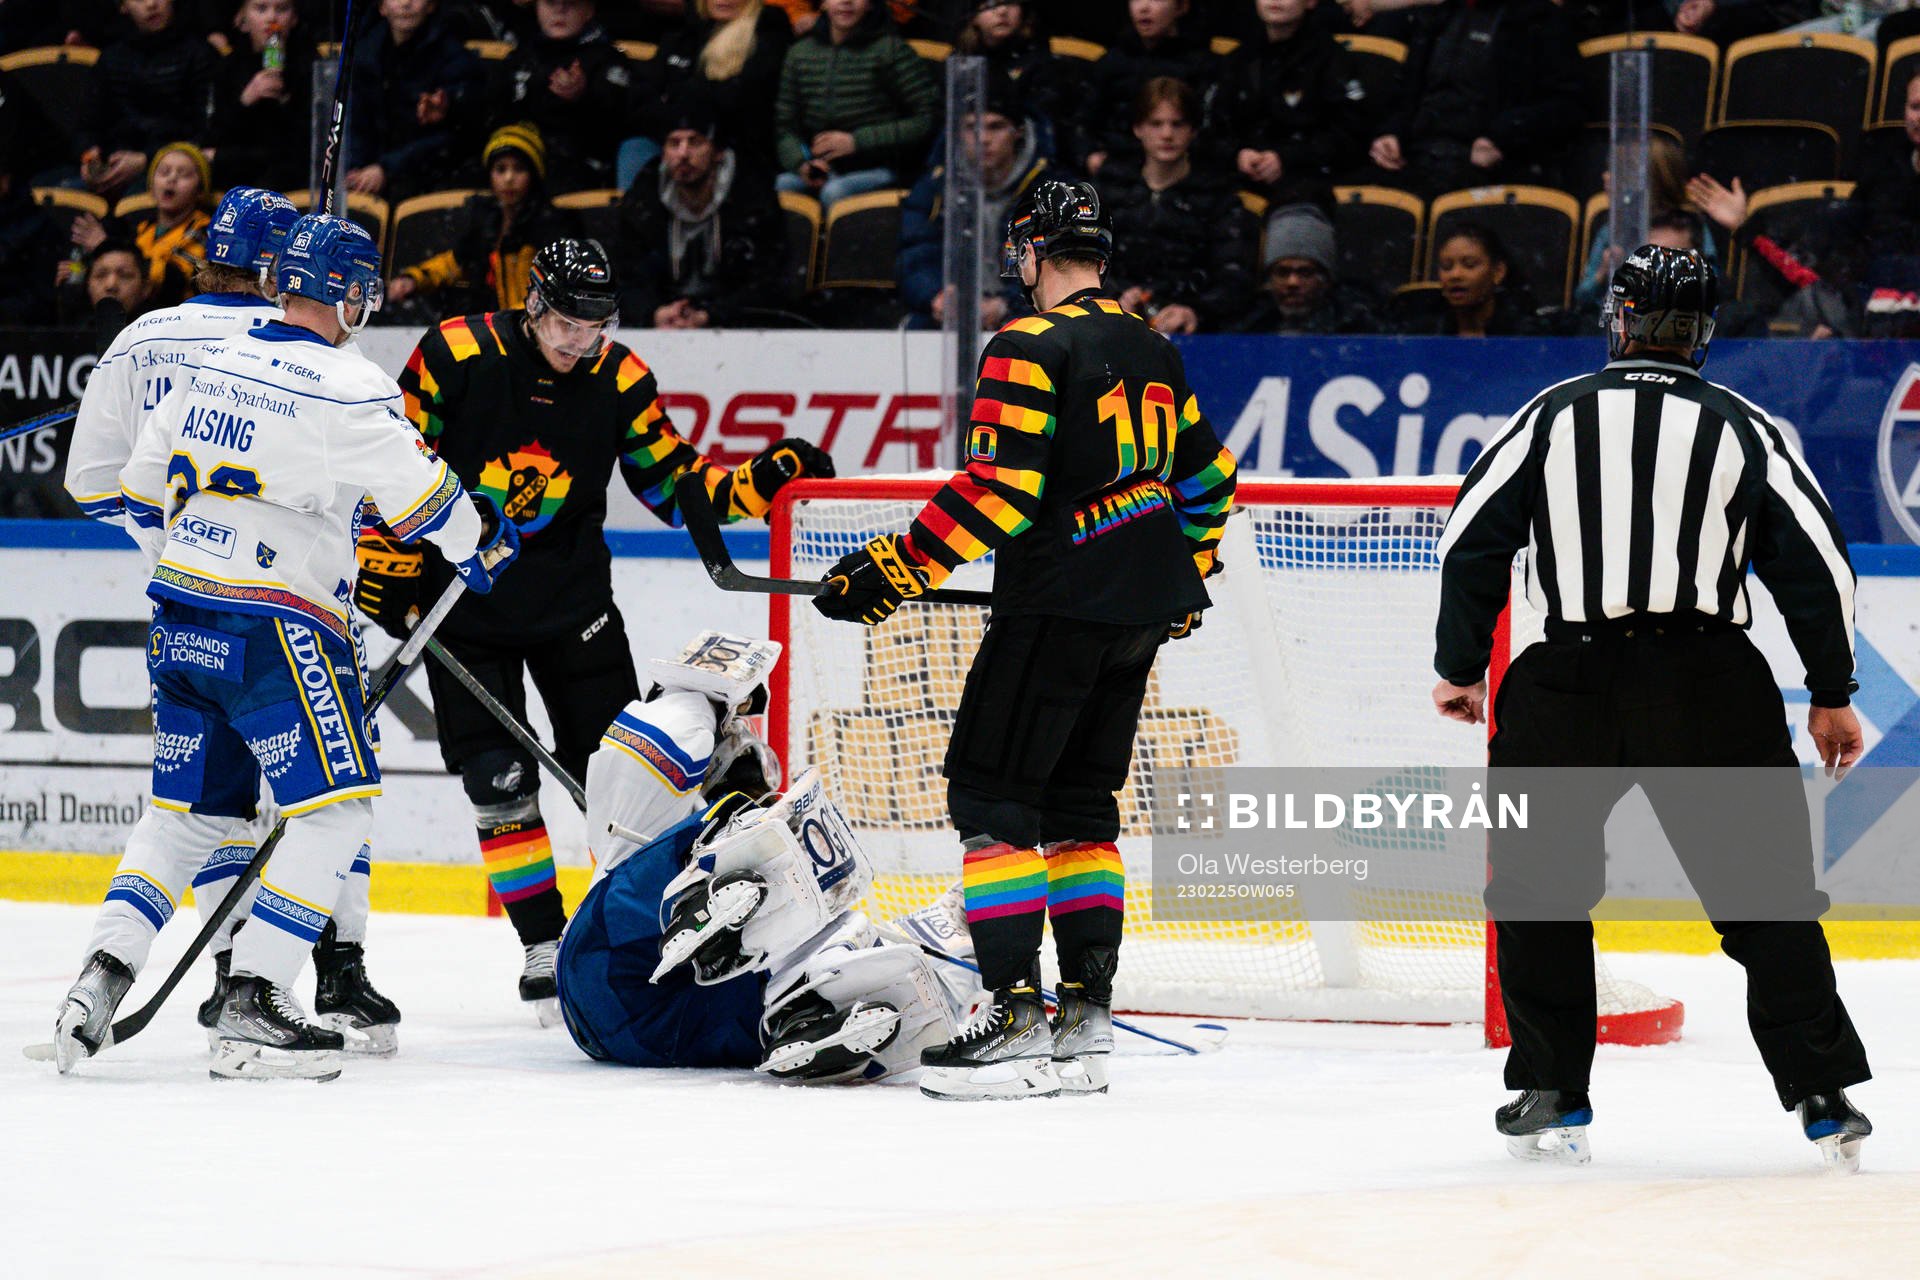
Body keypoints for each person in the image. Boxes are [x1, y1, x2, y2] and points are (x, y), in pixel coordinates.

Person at [1431, 244, 1873, 1171]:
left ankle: (1551, 1090)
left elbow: (1471, 541)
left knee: (1538, 895)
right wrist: (1831, 694)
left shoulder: (1550, 417)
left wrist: (1462, 666)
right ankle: (1823, 1091)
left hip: (1568, 684)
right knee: (1768, 901)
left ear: (1619, 320)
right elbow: (1818, 571)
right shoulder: (1744, 427)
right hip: (1711, 682)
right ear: (1705, 333)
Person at [54, 213, 519, 1080]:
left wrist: (201, 553)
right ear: (349, 296)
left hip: (179, 610)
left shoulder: (211, 366)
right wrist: (480, 536)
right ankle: (256, 994)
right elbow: (429, 509)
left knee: (189, 817)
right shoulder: (353, 383)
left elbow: (138, 486)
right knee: (337, 809)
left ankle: (97, 978)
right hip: (273, 622)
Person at [812, 178, 1238, 1100]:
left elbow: (998, 494)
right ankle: (1084, 1019)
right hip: (1137, 619)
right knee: (1082, 811)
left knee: (994, 802)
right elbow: (1211, 479)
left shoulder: (1027, 345)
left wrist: (896, 568)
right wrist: (1189, 573)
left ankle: (1010, 1015)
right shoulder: (1153, 345)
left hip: (1054, 609)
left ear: (1034, 254)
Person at [356, 238, 835, 1019]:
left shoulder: (619, 377)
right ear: (535, 301)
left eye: (597, 325)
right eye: (569, 323)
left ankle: (649, 923)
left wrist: (757, 483)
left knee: (626, 782)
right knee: (498, 784)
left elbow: (676, 483)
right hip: (461, 610)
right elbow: (393, 464)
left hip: (574, 608)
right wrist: (385, 571)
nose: (582, 341)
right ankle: (544, 944)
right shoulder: (454, 351)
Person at [557, 632, 982, 1080]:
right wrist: (713, 700)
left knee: (861, 959)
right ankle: (711, 914)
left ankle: (807, 1024)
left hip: (649, 1009)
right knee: (765, 847)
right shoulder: (660, 830)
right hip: (620, 968)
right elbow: (659, 741)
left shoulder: (650, 845)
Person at [1366, 0, 1582, 196]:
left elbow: (1566, 105)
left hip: (1486, 166)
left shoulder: (1541, 20)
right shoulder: (1438, 16)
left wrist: (1501, 138)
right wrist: (1391, 132)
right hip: (1414, 158)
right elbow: (1404, 93)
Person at [896, 76, 1057, 329]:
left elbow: (1058, 268)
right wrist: (935, 293)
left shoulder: (1050, 189)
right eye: (972, 127)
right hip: (951, 316)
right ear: (958, 133)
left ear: (1018, 132)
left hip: (1029, 316)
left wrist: (1008, 304)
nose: (983, 138)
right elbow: (915, 252)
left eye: (996, 126)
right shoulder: (936, 187)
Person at [1098, 77, 1257, 335]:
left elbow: (1235, 277)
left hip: (1194, 333)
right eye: (1156, 124)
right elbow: (1082, 263)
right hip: (1113, 328)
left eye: (1177, 124)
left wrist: (1194, 309)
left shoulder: (1219, 197)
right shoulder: (1109, 190)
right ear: (1138, 129)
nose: (1167, 134)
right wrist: (1115, 296)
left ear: (1193, 130)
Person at [613, 101, 787, 328]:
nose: (683, 154)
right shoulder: (644, 198)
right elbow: (626, 277)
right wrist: (655, 313)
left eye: (694, 142)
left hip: (737, 329)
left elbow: (769, 281)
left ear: (717, 152)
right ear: (664, 153)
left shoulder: (752, 196)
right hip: (662, 326)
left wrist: (710, 316)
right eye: (674, 144)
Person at [386, 123, 580, 319]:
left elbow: (555, 292)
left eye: (519, 169)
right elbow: (454, 264)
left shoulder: (554, 225)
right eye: (500, 169)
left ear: (534, 174)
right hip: (497, 329)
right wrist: (413, 279)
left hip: (536, 330)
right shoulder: (487, 220)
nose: (509, 178)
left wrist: (508, 321)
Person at [774, 0, 940, 209]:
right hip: (822, 166)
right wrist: (801, 163)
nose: (846, 2)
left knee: (835, 192)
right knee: (783, 184)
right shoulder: (800, 53)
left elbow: (929, 118)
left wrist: (857, 141)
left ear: (870, 4)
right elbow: (785, 126)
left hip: (882, 167)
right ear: (823, 4)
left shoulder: (891, 50)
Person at [1204, 0, 1371, 208]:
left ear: (1311, 2)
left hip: (1306, 184)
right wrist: (1237, 155)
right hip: (1238, 179)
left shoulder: (1332, 59)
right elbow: (1213, 129)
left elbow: (1351, 134)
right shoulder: (1238, 59)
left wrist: (1287, 158)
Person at [77, 0, 221, 199]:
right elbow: (88, 123)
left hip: (173, 168)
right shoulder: (110, 58)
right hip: (114, 164)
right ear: (123, 6)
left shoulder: (200, 53)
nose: (151, 4)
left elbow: (206, 132)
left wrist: (147, 159)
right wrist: (90, 156)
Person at [346, 0, 486, 201]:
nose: (405, 4)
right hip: (367, 177)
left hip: (427, 182)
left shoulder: (454, 58)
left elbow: (454, 136)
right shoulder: (364, 54)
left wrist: (386, 169)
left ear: (431, 5)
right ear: (381, 7)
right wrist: (355, 169)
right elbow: (356, 121)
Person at [499, 0, 640, 194]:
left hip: (583, 167)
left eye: (570, 3)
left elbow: (620, 124)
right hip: (520, 157)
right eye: (550, 2)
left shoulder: (609, 59)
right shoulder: (521, 56)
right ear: (537, 8)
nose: (560, 10)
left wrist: (582, 97)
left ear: (589, 10)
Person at [1070, 0, 1215, 175]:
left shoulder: (1202, 65)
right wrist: (1089, 154)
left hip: (1178, 171)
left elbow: (1208, 130)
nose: (1143, 8)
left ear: (1181, 7)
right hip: (1115, 168)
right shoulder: (1112, 61)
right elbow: (1083, 120)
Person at [651, 0, 794, 174]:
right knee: (635, 147)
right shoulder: (681, 37)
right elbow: (647, 96)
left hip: (740, 149)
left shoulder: (768, 35)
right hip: (669, 139)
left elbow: (743, 102)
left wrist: (680, 98)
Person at [70, 142, 215, 312]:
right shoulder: (142, 228)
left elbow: (175, 281)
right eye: (164, 172)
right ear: (151, 187)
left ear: (200, 190)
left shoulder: (206, 231)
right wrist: (81, 272)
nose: (172, 178)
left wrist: (105, 247)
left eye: (184, 175)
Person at [207, 0, 319, 192]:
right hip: (238, 179)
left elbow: (304, 146)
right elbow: (213, 137)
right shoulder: (227, 68)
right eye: (261, 9)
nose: (271, 18)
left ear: (294, 18)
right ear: (242, 20)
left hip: (294, 179)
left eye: (282, 9)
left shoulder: (311, 64)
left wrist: (285, 100)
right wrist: (245, 101)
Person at [1235, 202, 1380, 333]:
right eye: (1282, 272)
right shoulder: (1249, 326)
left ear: (1327, 278)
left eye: (1305, 272)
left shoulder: (1357, 326)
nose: (1292, 282)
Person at [1395, 223, 1549, 336]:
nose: (1455, 275)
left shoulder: (1525, 335)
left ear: (1498, 272)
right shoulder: (1424, 335)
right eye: (1446, 267)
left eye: (1469, 265)